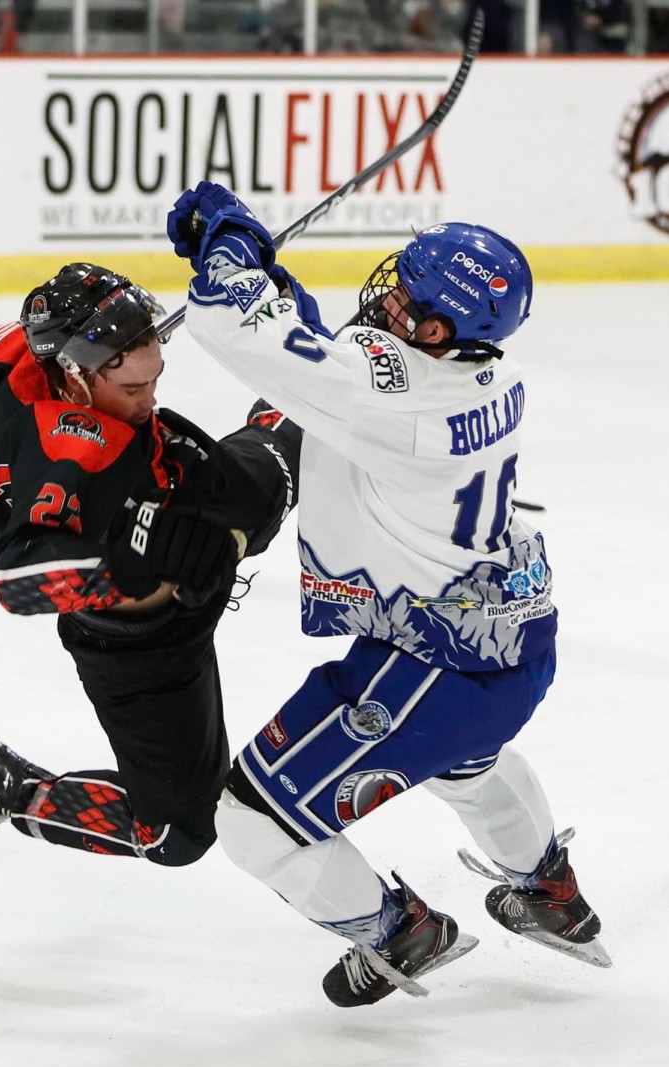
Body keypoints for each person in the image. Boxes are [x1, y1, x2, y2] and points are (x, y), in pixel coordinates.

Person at [158, 183, 609, 1007]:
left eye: (406, 296)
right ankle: (549, 891)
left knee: (255, 819)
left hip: (433, 665)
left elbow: (242, 333)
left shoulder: (400, 401)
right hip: (510, 641)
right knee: (470, 767)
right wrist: (268, 278)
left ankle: (398, 930)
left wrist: (228, 248)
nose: (386, 295)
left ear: (437, 330)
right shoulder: (483, 370)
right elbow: (334, 364)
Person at [0, 262, 301, 871]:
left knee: (291, 446)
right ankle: (7, 785)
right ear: (79, 382)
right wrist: (137, 558)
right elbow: (19, 583)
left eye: (153, 380)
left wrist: (0, 448)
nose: (151, 399)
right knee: (177, 834)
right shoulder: (73, 449)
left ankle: (295, 403)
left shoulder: (14, 352)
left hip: (173, 499)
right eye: (134, 390)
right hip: (138, 641)